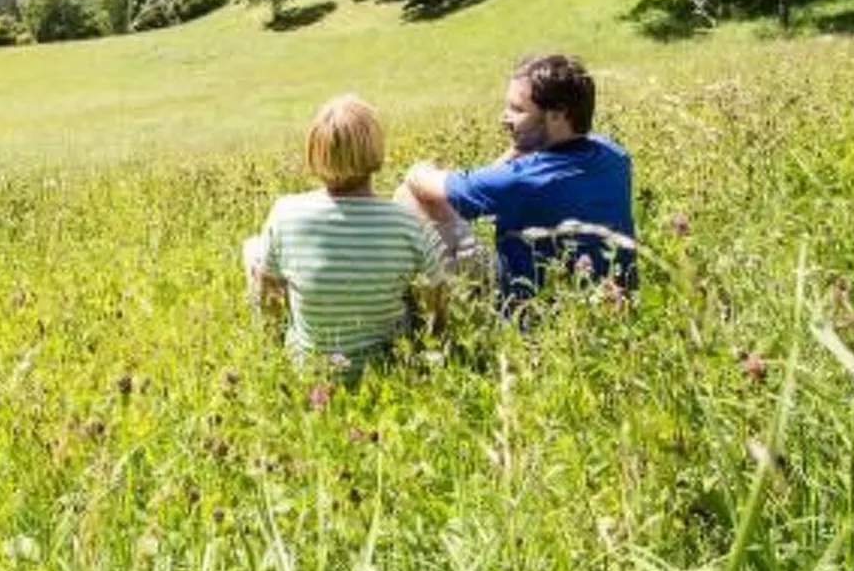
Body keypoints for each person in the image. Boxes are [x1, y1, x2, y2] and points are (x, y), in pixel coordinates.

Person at [402, 53, 634, 305]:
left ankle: (415, 315)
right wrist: (524, 142)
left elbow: (422, 183)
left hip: (533, 315)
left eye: (517, 109)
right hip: (614, 301)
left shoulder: (523, 180)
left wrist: (419, 168)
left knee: (411, 196)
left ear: (557, 115)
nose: (505, 118)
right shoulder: (615, 155)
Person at [244, 95, 446, 368]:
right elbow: (436, 301)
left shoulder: (286, 213)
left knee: (254, 250)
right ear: (375, 149)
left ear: (314, 151)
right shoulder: (405, 222)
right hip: (387, 366)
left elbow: (270, 294)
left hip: (312, 369)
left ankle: (271, 351)